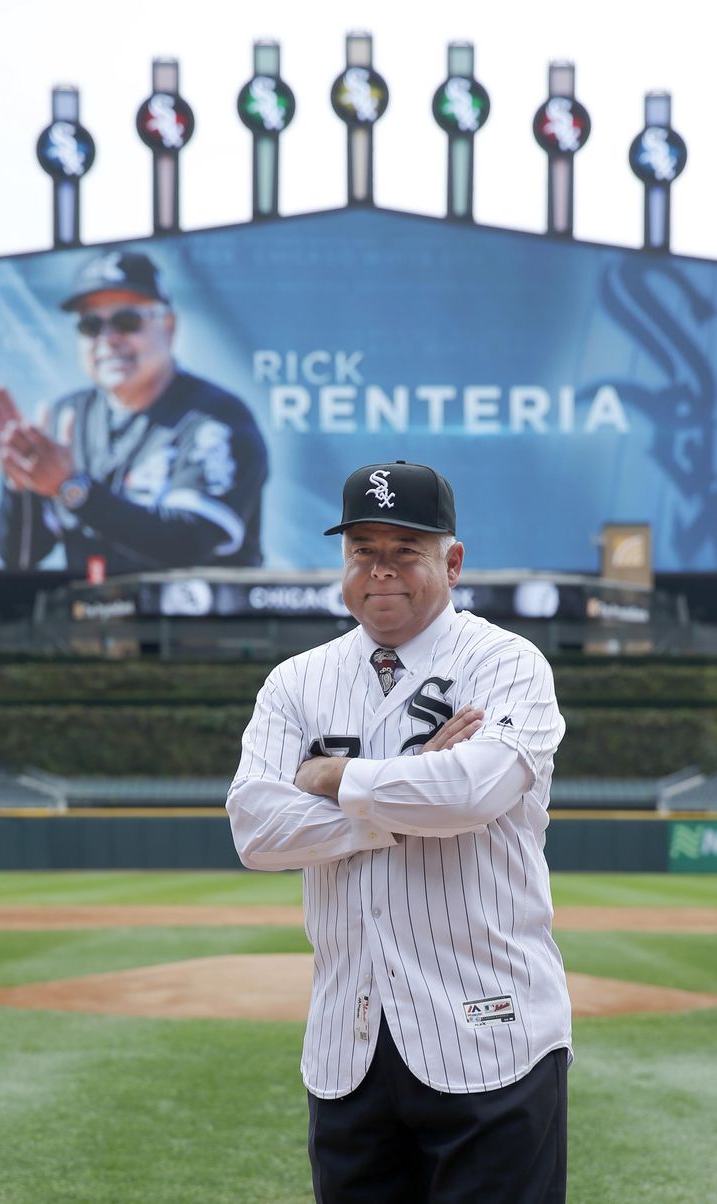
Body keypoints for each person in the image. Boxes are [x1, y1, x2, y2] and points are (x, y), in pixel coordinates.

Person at [227, 460, 572, 1203]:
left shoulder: (506, 663)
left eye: (404, 551)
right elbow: (256, 830)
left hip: (493, 1029)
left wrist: (335, 778)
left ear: (450, 561)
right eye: (363, 551)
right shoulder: (296, 682)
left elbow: (473, 790)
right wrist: (397, 800)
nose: (381, 571)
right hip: (347, 1042)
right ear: (344, 563)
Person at [0, 249, 268, 574]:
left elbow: (191, 540)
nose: (109, 339)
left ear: (169, 327)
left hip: (196, 623)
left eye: (127, 321)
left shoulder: (215, 418)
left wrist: (74, 489)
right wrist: (20, 488)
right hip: (93, 621)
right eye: (91, 325)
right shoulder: (68, 416)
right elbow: (21, 556)